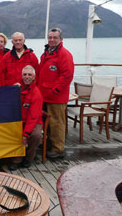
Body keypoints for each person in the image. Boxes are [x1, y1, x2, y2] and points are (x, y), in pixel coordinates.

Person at [38, 28, 74, 159]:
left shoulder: (64, 54)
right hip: (44, 96)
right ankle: (49, 144)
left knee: (57, 123)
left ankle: (58, 149)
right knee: (47, 123)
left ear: (61, 39)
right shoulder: (46, 54)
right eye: (50, 37)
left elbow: (67, 75)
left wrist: (56, 90)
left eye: (55, 37)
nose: (52, 40)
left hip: (56, 97)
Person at [9, 65, 43, 171]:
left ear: (34, 77)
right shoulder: (17, 88)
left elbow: (33, 117)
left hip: (33, 121)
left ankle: (28, 158)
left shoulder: (36, 93)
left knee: (36, 135)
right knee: (12, 131)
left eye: (29, 75)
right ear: (21, 76)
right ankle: (17, 159)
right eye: (25, 74)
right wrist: (12, 90)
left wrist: (26, 134)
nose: (27, 77)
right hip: (19, 119)